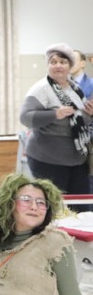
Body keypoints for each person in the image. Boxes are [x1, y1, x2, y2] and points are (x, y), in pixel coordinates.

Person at [20, 43, 93, 205]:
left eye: (63, 62)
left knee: (81, 208)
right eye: (53, 62)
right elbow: (25, 117)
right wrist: (54, 114)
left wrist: (89, 114)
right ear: (48, 65)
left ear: (70, 66)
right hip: (48, 160)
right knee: (55, 209)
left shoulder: (75, 88)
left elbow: (78, 121)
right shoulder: (41, 89)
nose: (58, 65)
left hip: (77, 159)